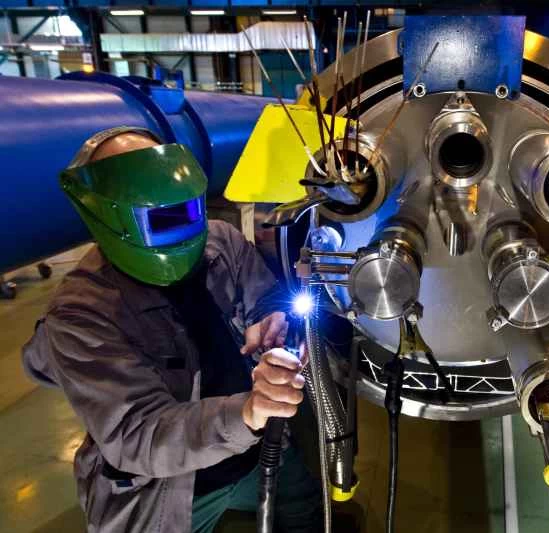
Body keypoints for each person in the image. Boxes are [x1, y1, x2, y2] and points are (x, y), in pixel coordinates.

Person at [21, 127, 323, 533]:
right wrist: (248, 412)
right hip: (167, 485)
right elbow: (138, 435)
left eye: (185, 212)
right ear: (110, 216)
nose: (180, 229)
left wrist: (272, 317)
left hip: (259, 446)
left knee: (305, 510)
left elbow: (264, 295)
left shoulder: (220, 240)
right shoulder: (81, 313)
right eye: (160, 219)